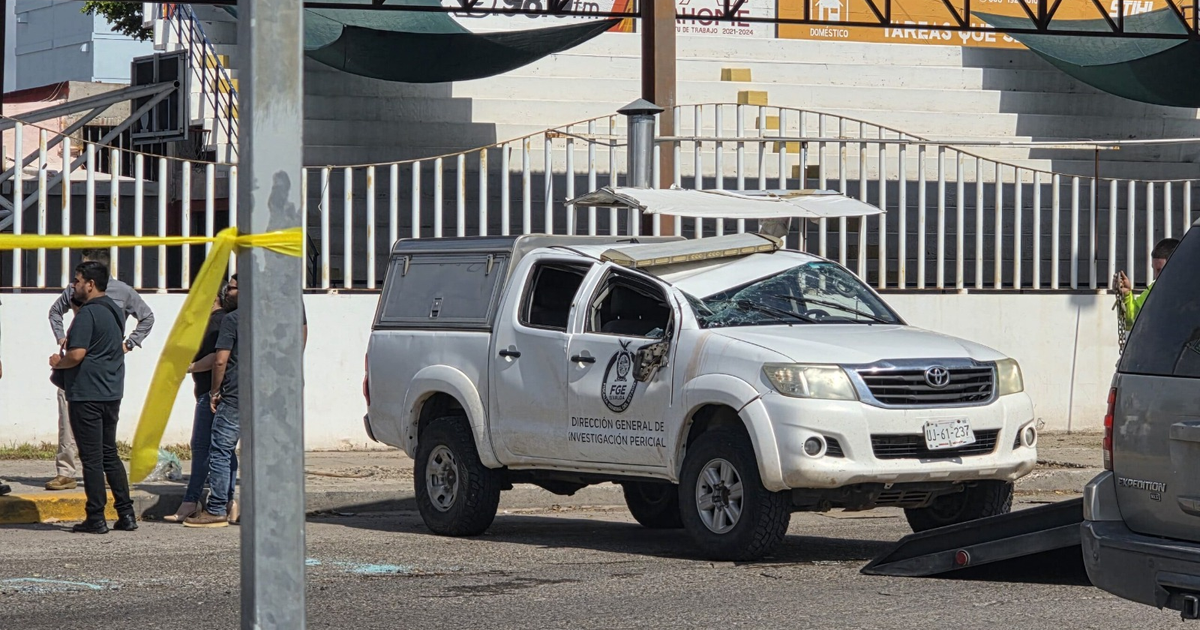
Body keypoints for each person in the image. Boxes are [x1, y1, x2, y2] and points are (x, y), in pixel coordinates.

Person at [46, 249, 154, 492]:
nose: (75, 283)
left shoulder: (122, 292)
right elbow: (55, 312)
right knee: (67, 417)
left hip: (102, 373)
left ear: (93, 279)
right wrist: (62, 337)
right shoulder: (74, 291)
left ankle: (100, 500)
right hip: (75, 372)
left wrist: (129, 344)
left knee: (103, 445)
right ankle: (66, 471)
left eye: (80, 276)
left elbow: (147, 317)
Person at [49, 261, 137, 534]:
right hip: (111, 391)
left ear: (90, 284)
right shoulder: (114, 309)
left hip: (87, 394)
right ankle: (126, 513)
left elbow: (76, 354)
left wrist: (56, 362)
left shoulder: (87, 314)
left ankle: (96, 517)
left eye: (76, 281)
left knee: (92, 458)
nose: (73, 286)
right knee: (109, 453)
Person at [165, 276, 240, 523]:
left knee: (204, 448)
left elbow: (218, 358)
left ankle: (195, 501)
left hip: (214, 393)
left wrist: (187, 368)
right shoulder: (220, 321)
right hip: (217, 392)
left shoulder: (220, 321)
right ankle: (227, 503)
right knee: (223, 450)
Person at [185, 275, 242, 528]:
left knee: (218, 450)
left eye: (231, 288)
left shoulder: (230, 320)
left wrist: (215, 392)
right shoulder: (271, 319)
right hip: (265, 397)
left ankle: (217, 507)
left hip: (235, 395)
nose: (227, 292)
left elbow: (220, 360)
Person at [1117, 238, 1180, 327]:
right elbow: (1131, 320)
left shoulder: (1193, 289)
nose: (1156, 276)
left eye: (1160, 270)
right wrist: (1126, 294)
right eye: (1154, 270)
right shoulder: (1154, 290)